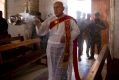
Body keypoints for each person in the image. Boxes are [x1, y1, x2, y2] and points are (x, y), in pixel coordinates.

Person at [35, 1, 80, 80]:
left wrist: (67, 37)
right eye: (54, 8)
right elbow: (41, 31)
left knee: (62, 68)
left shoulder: (69, 19)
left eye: (58, 7)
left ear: (63, 8)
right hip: (51, 48)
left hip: (63, 48)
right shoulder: (50, 19)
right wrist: (38, 24)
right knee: (52, 67)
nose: (55, 9)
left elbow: (77, 31)